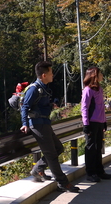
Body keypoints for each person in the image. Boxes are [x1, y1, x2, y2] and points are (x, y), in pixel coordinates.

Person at [21, 60, 80, 193]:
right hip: (37, 125)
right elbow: (25, 106)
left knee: (58, 148)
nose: (53, 75)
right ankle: (63, 183)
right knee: (51, 154)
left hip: (45, 124)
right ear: (43, 75)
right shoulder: (33, 89)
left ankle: (38, 169)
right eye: (51, 72)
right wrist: (25, 124)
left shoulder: (45, 88)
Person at [81, 66, 111, 182]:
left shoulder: (99, 89)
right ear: (94, 75)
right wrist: (86, 124)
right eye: (100, 74)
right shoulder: (88, 90)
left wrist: (104, 122)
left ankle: (100, 171)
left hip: (99, 122)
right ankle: (90, 172)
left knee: (99, 147)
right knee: (91, 147)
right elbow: (84, 108)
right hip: (91, 122)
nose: (102, 76)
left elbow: (101, 108)